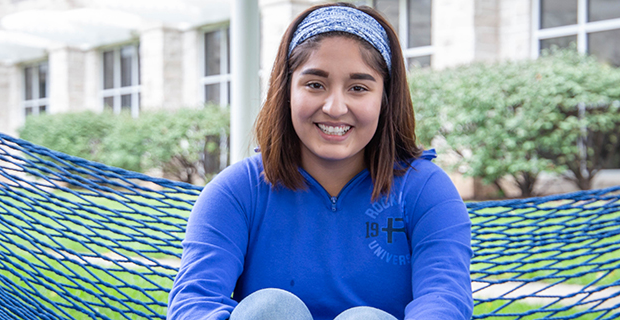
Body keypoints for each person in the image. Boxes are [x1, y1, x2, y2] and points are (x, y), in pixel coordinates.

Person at [167, 3, 472, 320]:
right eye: (315, 84)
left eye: (358, 88)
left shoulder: (425, 191)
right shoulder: (236, 192)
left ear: (385, 97)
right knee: (270, 308)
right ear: (286, 90)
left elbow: (444, 301)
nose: (335, 107)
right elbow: (194, 302)